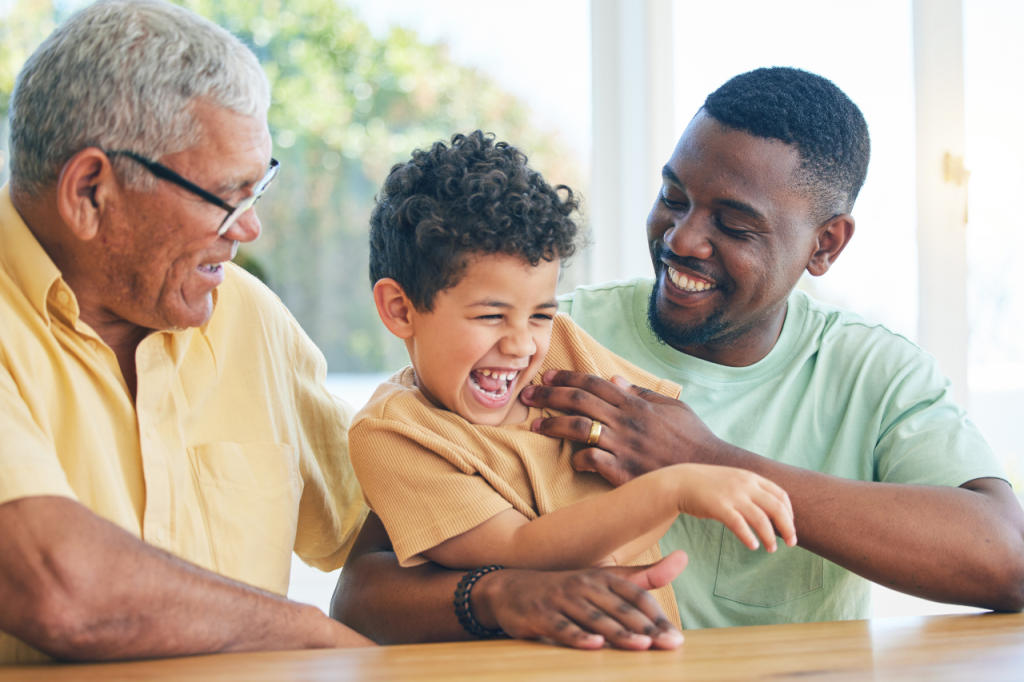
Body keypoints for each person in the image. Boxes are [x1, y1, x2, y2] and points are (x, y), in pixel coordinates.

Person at [0, 0, 698, 662]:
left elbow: (377, 560)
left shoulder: (247, 319)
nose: (250, 230)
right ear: (91, 190)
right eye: (225, 198)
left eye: (258, 190)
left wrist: (501, 590)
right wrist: (307, 635)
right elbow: (57, 584)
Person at [333, 67, 1024, 637]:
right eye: (673, 197)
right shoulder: (540, 338)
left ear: (826, 245)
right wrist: (499, 594)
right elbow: (364, 591)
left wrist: (707, 459)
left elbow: (1007, 558)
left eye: (733, 224)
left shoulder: (872, 372)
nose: (683, 240)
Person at [348, 131, 796, 633]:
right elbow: (522, 551)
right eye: (492, 316)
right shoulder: (394, 434)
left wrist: (661, 496)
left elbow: (650, 455)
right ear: (399, 309)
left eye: (539, 313)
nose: (521, 345)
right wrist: (675, 488)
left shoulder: (560, 346)